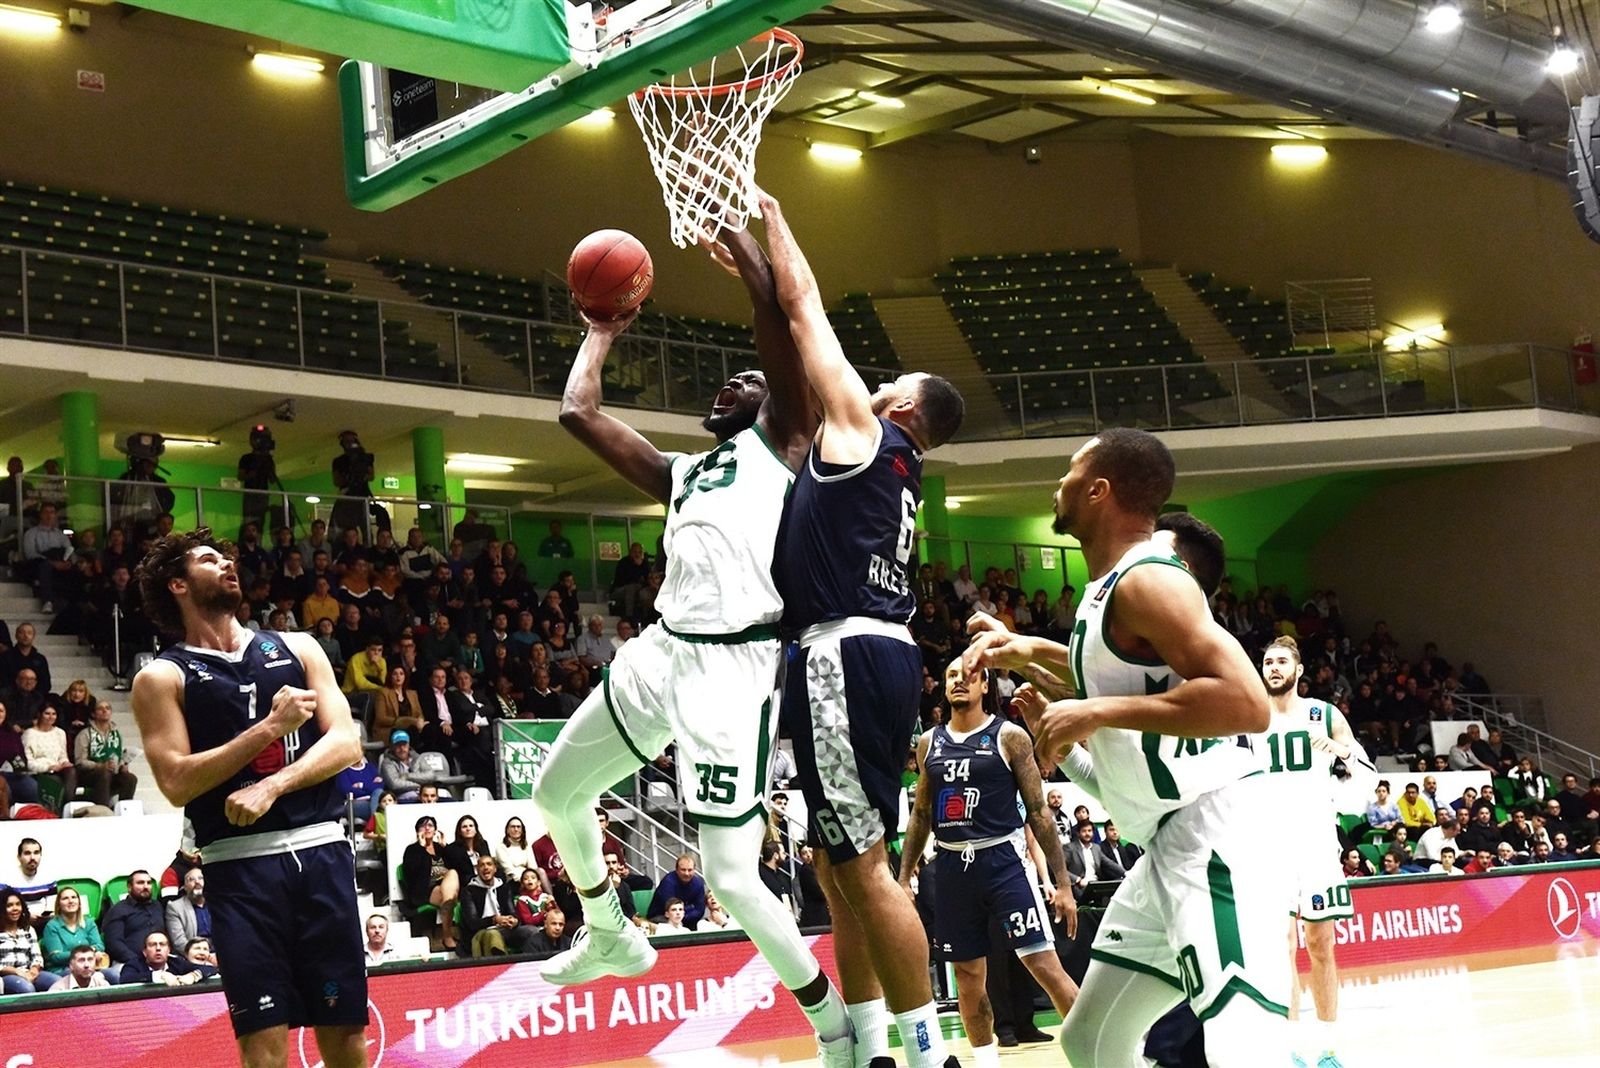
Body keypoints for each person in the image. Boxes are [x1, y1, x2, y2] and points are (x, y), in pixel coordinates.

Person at [528, 219, 852, 1064]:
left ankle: (833, 1027)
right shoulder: (685, 472)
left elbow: (779, 335)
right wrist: (600, 332)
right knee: (556, 798)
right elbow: (576, 411)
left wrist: (751, 264)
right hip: (660, 651)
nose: (729, 385)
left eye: (743, 381)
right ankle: (609, 933)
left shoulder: (785, 444)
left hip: (731, 669)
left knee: (735, 878)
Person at [962, 428, 1293, 1068]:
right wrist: (1028, 650)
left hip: (1216, 830)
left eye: (1068, 470)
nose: (1058, 483)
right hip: (1163, 845)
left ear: (1099, 490)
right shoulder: (1105, 592)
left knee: (1241, 1042)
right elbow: (1113, 680)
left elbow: (1247, 703)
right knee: (1091, 1041)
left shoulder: (1149, 580)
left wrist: (1095, 708)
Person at [760, 188, 968, 1068]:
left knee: (866, 866)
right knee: (836, 864)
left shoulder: (865, 433)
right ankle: (871, 1049)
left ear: (910, 412)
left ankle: (928, 1052)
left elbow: (806, 309)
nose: (876, 385)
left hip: (843, 652)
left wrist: (768, 211)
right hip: (874, 652)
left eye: (895, 386)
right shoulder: (892, 468)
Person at [130, 529, 366, 1068]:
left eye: (228, 557)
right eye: (209, 561)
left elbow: (347, 741)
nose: (228, 564)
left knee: (347, 1033)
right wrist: (269, 729)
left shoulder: (298, 646)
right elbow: (176, 782)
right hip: (239, 871)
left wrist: (273, 785)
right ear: (178, 585)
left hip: (322, 852)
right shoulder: (162, 676)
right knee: (262, 1046)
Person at [899, 657, 1078, 1068]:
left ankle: (1098, 1050)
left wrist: (1062, 884)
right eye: (951, 676)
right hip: (951, 867)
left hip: (1002, 860)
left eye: (969, 675)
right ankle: (986, 1062)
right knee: (967, 976)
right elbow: (922, 814)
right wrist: (904, 875)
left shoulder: (1010, 736)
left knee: (1043, 965)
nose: (959, 680)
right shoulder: (929, 742)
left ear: (985, 686)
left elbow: (1038, 812)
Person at [1258, 636, 1373, 1068]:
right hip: (1269, 848)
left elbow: (1360, 774)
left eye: (1282, 661)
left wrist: (1342, 750)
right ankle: (1291, 1050)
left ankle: (1328, 1048)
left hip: (1317, 845)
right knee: (1283, 947)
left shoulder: (1323, 714)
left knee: (1321, 945)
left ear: (1299, 670)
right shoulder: (1249, 715)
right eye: (1268, 661)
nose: (1273, 667)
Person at [401, 814, 461, 951]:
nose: (427, 828)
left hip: (448, 886)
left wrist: (446, 847)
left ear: (435, 831)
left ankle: (446, 936)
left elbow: (460, 865)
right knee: (448, 897)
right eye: (423, 825)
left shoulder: (441, 848)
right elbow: (412, 872)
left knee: (452, 874)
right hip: (426, 889)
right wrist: (421, 848)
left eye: (430, 825)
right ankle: (448, 936)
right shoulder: (412, 849)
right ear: (418, 831)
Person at [72, 699, 139, 807]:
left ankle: (124, 808)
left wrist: (122, 766)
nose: (104, 711)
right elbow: (80, 762)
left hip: (112, 772)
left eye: (107, 708)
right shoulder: (85, 734)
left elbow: (118, 756)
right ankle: (103, 810)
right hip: (89, 774)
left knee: (130, 778)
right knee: (104, 773)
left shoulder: (116, 734)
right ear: (93, 714)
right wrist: (100, 765)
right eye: (100, 708)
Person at [0, 889, 57, 993]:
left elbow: (37, 956)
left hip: (29, 971)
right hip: (5, 976)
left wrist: (34, 969)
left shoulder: (28, 929)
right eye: (9, 905)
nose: (15, 908)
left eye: (18, 904)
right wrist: (16, 971)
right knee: (26, 988)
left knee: (57, 983)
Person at [41, 886, 106, 975]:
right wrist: (88, 952)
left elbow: (99, 945)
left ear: (79, 903)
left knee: (113, 975)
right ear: (59, 905)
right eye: (65, 898)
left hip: (90, 967)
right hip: (63, 969)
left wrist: (78, 954)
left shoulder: (89, 923)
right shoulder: (52, 926)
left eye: (73, 897)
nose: (70, 901)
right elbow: (56, 957)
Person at [21, 704, 75, 811]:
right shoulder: (29, 734)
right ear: (40, 715)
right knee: (55, 780)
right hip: (40, 771)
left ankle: (68, 806)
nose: (51, 717)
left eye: (54, 714)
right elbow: (28, 762)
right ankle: (57, 811)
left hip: (59, 768)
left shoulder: (60, 733)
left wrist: (64, 763)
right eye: (47, 714)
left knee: (71, 771)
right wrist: (49, 767)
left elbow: (63, 755)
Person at [118, 929, 216, 986]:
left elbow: (211, 969)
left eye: (162, 944)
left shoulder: (176, 962)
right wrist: (160, 975)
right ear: (144, 952)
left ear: (169, 950)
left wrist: (193, 976)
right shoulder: (134, 964)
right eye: (152, 945)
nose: (158, 948)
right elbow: (125, 979)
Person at [165, 867, 212, 957]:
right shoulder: (175, 907)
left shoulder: (216, 904)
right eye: (191, 879)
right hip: (193, 956)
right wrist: (205, 955)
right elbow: (179, 942)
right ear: (185, 887)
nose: (197, 882)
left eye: (201, 878)